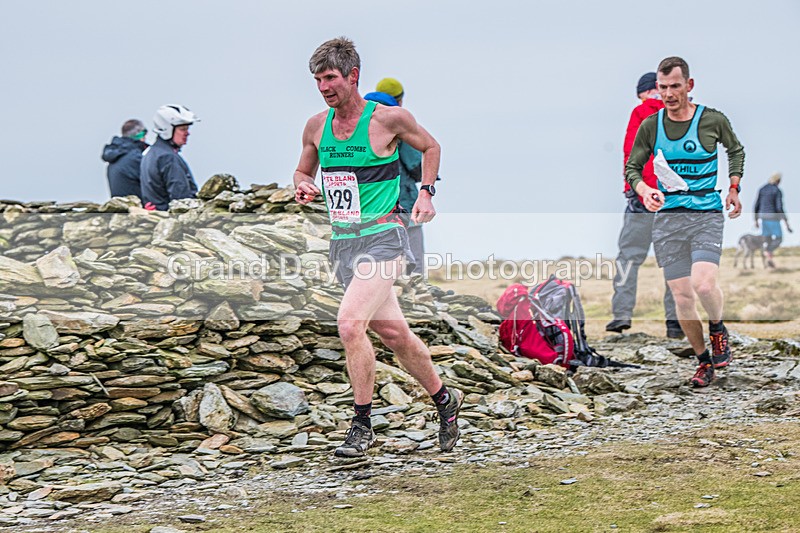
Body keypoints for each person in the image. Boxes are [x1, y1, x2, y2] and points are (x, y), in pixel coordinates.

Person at [293, 37, 462, 457]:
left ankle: (362, 425)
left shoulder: (388, 120)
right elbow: (300, 170)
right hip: (343, 243)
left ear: (352, 76)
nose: (323, 87)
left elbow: (431, 147)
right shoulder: (316, 126)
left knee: (350, 324)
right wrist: (303, 186)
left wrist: (426, 193)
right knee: (394, 333)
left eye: (330, 77)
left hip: (385, 238)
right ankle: (446, 401)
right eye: (317, 79)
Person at [626, 57, 745, 388]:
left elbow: (735, 150)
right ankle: (703, 361)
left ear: (689, 86)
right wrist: (645, 188)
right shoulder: (651, 125)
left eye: (674, 86)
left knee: (704, 284)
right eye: (662, 88)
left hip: (706, 213)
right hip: (668, 219)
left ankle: (718, 328)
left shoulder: (712, 120)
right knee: (681, 296)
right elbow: (632, 167)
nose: (668, 94)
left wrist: (733, 187)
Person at [607, 72, 681, 339]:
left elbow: (632, 153)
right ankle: (676, 323)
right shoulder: (685, 114)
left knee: (629, 258)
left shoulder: (641, 112)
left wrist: (633, 190)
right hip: (674, 201)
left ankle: (621, 316)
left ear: (643, 91)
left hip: (642, 199)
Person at [364, 77, 427, 275]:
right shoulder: (397, 121)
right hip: (402, 200)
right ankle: (416, 295)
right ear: (399, 100)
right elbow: (415, 164)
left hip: (370, 202)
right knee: (413, 257)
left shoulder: (363, 119)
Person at [140, 104, 200, 210]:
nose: (188, 133)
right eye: (183, 129)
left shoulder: (151, 153)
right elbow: (182, 199)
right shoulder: (168, 157)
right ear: (167, 129)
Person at [101, 119, 148, 200]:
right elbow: (153, 183)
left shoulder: (115, 156)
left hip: (121, 206)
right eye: (144, 133)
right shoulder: (135, 157)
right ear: (139, 134)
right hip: (137, 207)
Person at [754, 172, 793, 267]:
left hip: (763, 218)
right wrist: (786, 222)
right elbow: (779, 207)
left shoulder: (762, 189)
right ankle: (768, 252)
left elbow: (756, 205)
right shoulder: (777, 190)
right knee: (779, 238)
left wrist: (756, 220)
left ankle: (769, 259)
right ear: (778, 180)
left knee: (768, 239)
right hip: (773, 218)